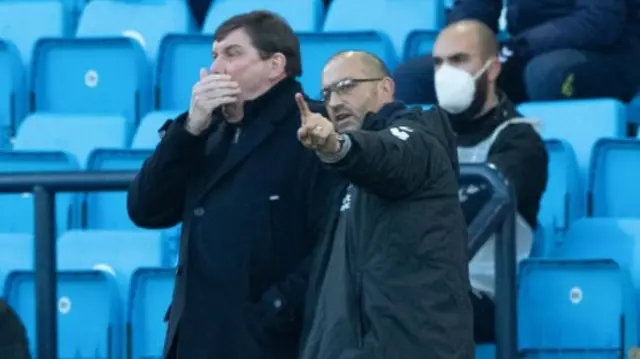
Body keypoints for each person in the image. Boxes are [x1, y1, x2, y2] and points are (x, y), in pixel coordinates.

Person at [127, 11, 341, 359]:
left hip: (276, 340)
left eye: (232, 54)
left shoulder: (312, 128)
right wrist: (188, 132)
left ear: (274, 65)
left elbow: (334, 240)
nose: (216, 69)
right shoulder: (202, 132)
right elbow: (145, 209)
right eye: (214, 56)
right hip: (197, 338)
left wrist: (276, 307)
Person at [297, 51, 474, 359]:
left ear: (385, 88)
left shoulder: (419, 138)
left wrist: (338, 148)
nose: (335, 102)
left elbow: (388, 156)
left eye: (347, 85)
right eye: (327, 93)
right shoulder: (347, 170)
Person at [431, 20, 549, 343]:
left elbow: (475, 207)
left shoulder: (520, 141)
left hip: (486, 297)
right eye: (438, 63)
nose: (445, 73)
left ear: (492, 68)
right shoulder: (427, 136)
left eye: (458, 60)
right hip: (420, 286)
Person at [394, 0, 640, 105]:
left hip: (605, 56)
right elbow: (473, 9)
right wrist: (465, 46)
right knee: (415, 77)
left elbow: (599, 22)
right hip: (524, 53)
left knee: (546, 75)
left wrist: (519, 46)